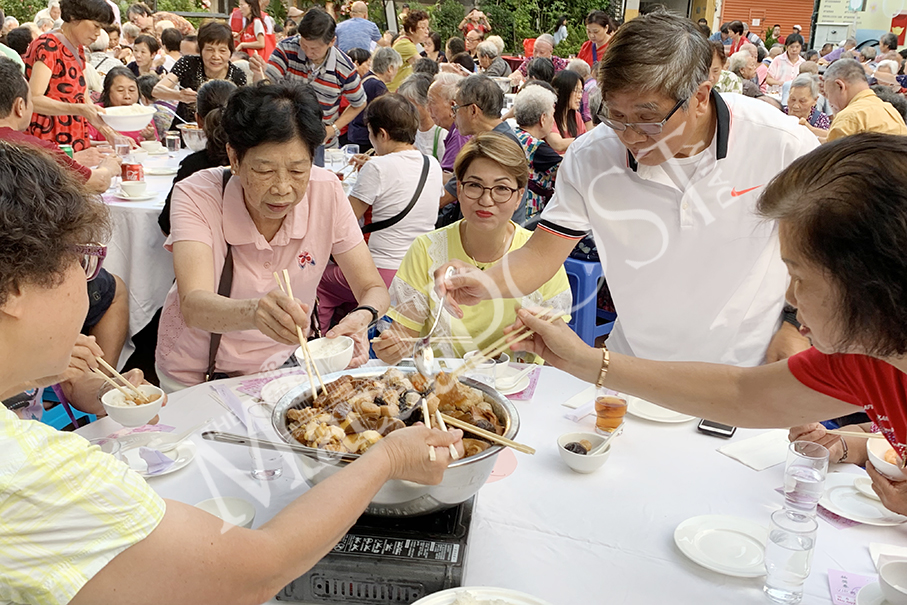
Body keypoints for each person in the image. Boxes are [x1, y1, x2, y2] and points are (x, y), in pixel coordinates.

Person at [0, 142, 461, 605]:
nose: (283, 186)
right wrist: (385, 458)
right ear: (14, 291)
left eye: (298, 169)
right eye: (82, 266)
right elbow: (254, 571)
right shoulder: (29, 472)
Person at [500, 133, 907, 515]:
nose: (789, 299)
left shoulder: (866, 349)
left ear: (872, 286)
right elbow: (742, 394)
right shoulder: (867, 356)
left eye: (799, 278)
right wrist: (582, 360)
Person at [435, 12, 819, 368]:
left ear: (700, 97)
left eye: (648, 119)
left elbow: (827, 251)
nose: (630, 137)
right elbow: (539, 256)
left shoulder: (779, 143)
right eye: (616, 116)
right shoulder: (592, 156)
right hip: (632, 366)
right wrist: (484, 282)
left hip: (748, 364)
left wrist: (792, 323)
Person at [157, 83, 388, 388]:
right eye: (265, 171)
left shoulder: (326, 190)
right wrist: (254, 312)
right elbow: (194, 305)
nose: (282, 188)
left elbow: (373, 287)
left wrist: (361, 318)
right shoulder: (197, 194)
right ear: (235, 158)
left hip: (285, 366)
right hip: (198, 374)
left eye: (297, 171)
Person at [373, 131, 571, 364]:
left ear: (519, 197)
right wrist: (391, 347)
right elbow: (404, 337)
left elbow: (557, 346)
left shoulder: (541, 254)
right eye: (474, 185)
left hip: (519, 388)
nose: (486, 200)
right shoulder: (426, 250)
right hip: (441, 387)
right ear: (459, 189)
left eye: (501, 189)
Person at [317, 93, 442, 329]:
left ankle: (320, 342)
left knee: (321, 283)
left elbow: (345, 220)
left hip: (383, 271)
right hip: (420, 270)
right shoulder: (431, 163)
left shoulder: (377, 167)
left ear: (382, 134)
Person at [0, 56, 119, 193]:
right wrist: (108, 168)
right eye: (30, 101)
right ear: (20, 106)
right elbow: (97, 183)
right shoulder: (35, 149)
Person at [263, 8, 365, 153]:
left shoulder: (344, 67)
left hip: (322, 144)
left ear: (331, 42)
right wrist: (259, 74)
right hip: (283, 136)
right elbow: (267, 82)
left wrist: (333, 129)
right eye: (304, 45)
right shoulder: (286, 49)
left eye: (315, 48)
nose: (308, 52)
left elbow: (359, 103)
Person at [159, 80, 235, 235]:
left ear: (198, 120)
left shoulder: (193, 166)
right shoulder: (255, 161)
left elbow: (168, 226)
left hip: (203, 252)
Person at [153, 21, 248, 127]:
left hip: (221, 135)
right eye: (209, 50)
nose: (216, 56)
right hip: (186, 130)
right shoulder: (188, 63)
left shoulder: (238, 75)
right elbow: (156, 91)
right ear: (200, 50)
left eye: (222, 50)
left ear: (230, 52)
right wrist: (179, 95)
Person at [823, 58, 907, 141]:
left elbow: (832, 152)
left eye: (828, 93)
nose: (830, 101)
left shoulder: (849, 117)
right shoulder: (890, 110)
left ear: (840, 86)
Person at [513, 83, 561, 223]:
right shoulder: (537, 148)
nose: (553, 120)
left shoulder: (514, 134)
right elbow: (568, 168)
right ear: (543, 118)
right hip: (530, 218)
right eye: (552, 115)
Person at [345, 46, 399, 152]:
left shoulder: (367, 78)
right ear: (390, 68)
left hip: (355, 132)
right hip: (365, 137)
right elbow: (386, 113)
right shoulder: (378, 85)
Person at [398, 71, 447, 162]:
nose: (405, 110)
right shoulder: (409, 129)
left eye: (411, 105)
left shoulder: (442, 134)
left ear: (426, 103)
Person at [428, 71, 467, 174]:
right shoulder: (458, 130)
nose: (427, 108)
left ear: (452, 106)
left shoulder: (460, 135)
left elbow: (450, 185)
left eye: (432, 102)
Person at [388, 9, 429, 92]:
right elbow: (424, 66)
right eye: (422, 28)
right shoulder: (405, 44)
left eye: (427, 28)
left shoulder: (405, 41)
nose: (427, 32)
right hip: (393, 92)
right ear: (411, 30)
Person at [546, 69, 585, 154]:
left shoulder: (576, 116)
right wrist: (588, 139)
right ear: (563, 91)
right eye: (576, 91)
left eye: (581, 91)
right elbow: (558, 144)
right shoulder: (548, 115)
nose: (580, 96)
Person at [784, 73, 831, 142]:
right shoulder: (780, 113)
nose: (795, 106)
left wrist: (809, 129)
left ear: (815, 100)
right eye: (792, 99)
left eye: (802, 101)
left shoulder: (820, 119)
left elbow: (831, 139)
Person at [125, 2, 194, 36]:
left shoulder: (163, 17)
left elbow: (188, 28)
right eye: (132, 22)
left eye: (136, 19)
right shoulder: (142, 33)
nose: (136, 23)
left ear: (144, 14)